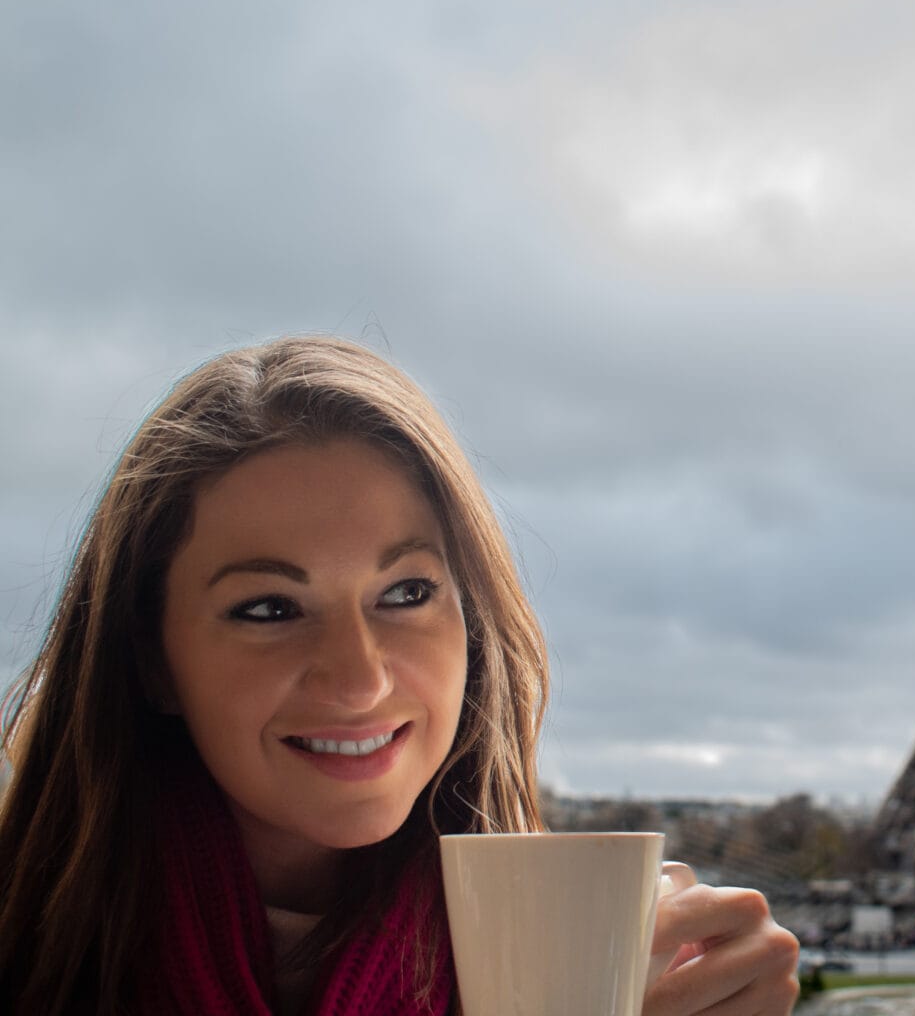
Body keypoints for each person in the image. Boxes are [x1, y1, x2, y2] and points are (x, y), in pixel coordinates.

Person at [0, 336, 800, 1014]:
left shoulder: (559, 960)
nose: (359, 682)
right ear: (152, 661)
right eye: (269, 609)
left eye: (407, 593)